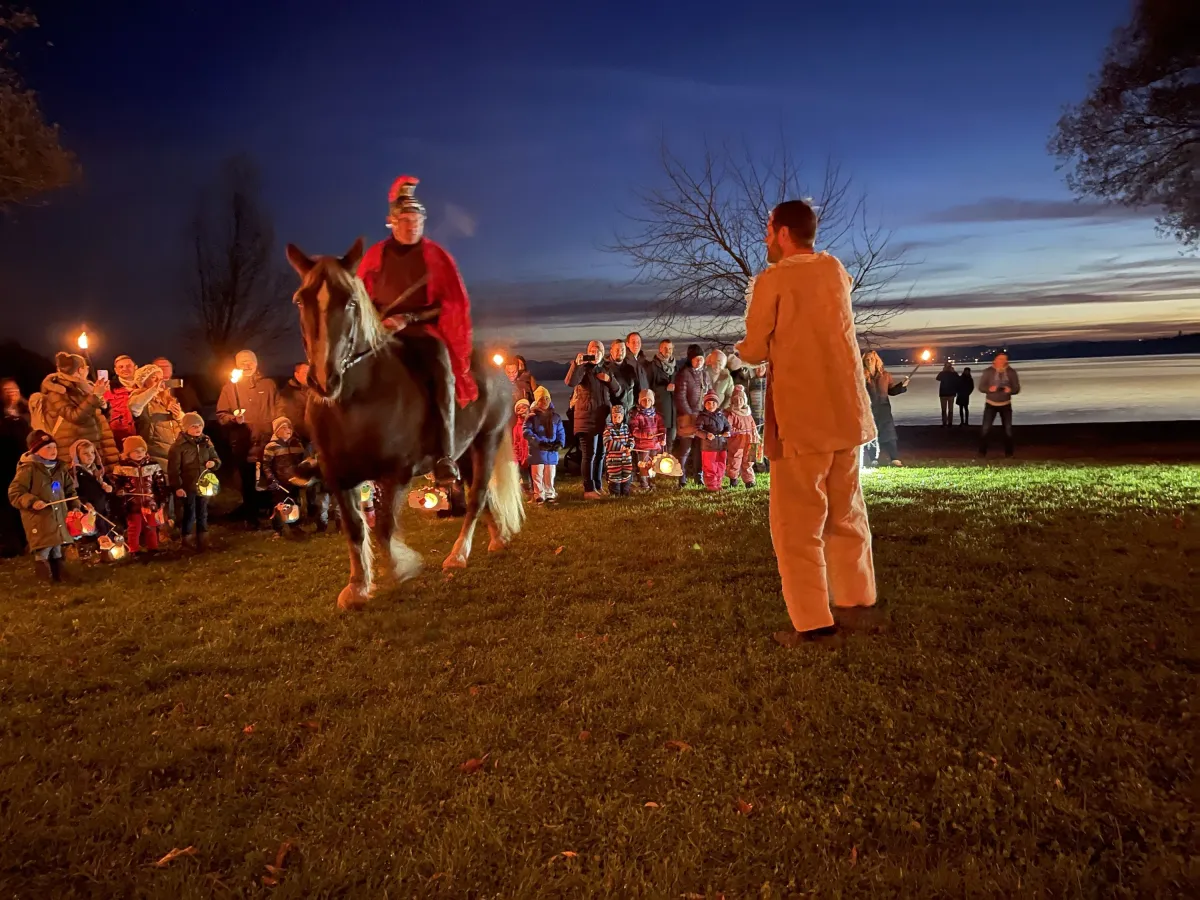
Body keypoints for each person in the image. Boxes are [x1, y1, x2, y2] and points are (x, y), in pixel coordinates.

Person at [735, 198, 877, 647]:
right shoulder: (835, 270)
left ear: (782, 233)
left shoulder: (773, 280)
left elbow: (754, 348)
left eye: (768, 230)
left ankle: (814, 622)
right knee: (846, 513)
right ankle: (857, 602)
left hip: (802, 418)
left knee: (796, 526)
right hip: (847, 415)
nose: (764, 239)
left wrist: (741, 350)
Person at [357, 175, 476, 484]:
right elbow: (360, 296)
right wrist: (375, 318)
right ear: (393, 223)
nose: (412, 226)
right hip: (380, 334)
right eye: (406, 220)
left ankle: (444, 455)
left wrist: (408, 318)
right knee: (343, 368)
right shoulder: (375, 255)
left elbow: (449, 303)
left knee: (442, 375)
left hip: (422, 333)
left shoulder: (435, 256)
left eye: (417, 221)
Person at [216, 349, 280, 527]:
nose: (246, 365)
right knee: (248, 479)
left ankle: (273, 512)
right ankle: (251, 516)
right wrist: (233, 419)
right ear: (237, 365)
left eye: (250, 361)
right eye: (242, 362)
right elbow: (221, 414)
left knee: (271, 477)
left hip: (267, 439)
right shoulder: (230, 388)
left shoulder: (268, 385)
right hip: (243, 441)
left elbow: (279, 406)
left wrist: (279, 425)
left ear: (256, 363)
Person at [8, 429, 79, 581]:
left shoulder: (59, 468)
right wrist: (32, 501)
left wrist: (75, 505)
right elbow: (16, 492)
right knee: (44, 547)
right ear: (36, 450)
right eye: (48, 448)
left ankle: (59, 573)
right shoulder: (28, 469)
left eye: (54, 447)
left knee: (57, 545)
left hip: (58, 515)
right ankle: (44, 575)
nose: (53, 450)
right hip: (39, 518)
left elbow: (70, 489)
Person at [37, 352, 119, 467]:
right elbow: (74, 417)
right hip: (77, 451)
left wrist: (104, 406)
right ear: (80, 370)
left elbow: (99, 417)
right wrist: (95, 396)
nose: (87, 370)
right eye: (86, 367)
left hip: (99, 447)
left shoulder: (86, 387)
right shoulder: (58, 391)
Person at [565, 340, 619, 499]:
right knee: (589, 454)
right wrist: (576, 364)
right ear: (588, 352)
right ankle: (588, 489)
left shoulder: (606, 369)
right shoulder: (583, 369)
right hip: (586, 418)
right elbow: (570, 382)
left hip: (603, 418)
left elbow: (617, 390)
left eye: (598, 351)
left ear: (603, 353)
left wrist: (609, 380)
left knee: (601, 453)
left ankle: (598, 486)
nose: (595, 354)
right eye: (592, 351)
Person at [168, 412, 221, 551]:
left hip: (204, 484)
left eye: (199, 426)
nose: (197, 429)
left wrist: (213, 463)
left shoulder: (206, 442)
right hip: (188, 484)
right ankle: (187, 539)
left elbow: (216, 459)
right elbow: (173, 469)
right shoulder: (178, 447)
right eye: (193, 426)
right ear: (186, 428)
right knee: (189, 512)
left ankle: (203, 539)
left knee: (203, 512)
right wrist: (178, 486)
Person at [112, 435, 168, 555]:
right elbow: (116, 484)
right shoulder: (122, 468)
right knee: (134, 528)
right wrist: (120, 491)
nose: (140, 453)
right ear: (128, 453)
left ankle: (153, 547)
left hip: (150, 502)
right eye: (136, 451)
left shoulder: (153, 465)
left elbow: (160, 482)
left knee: (151, 526)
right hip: (132, 504)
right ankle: (134, 549)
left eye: (142, 450)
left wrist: (162, 497)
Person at [130, 364, 183, 470]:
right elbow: (134, 406)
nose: (159, 381)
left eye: (161, 377)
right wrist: (154, 389)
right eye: (154, 378)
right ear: (144, 381)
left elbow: (186, 424)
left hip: (174, 453)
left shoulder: (168, 399)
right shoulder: (140, 398)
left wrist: (179, 416)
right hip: (155, 454)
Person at [260, 417, 307, 534]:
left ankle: (294, 527)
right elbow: (266, 465)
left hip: (294, 481)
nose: (288, 430)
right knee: (279, 505)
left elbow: (303, 462)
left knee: (294, 503)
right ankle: (278, 529)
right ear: (277, 431)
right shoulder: (271, 446)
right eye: (284, 428)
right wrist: (271, 478)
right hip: (279, 482)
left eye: (289, 427)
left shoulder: (297, 445)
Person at [862, 351, 908, 467]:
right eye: (867, 359)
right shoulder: (861, 376)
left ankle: (894, 458)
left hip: (884, 408)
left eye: (871, 359)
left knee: (889, 434)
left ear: (877, 361)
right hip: (868, 410)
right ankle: (873, 459)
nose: (869, 361)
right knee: (871, 434)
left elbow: (891, 391)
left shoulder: (885, 375)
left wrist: (902, 386)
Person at [0, 379, 31, 556]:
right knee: (9, 504)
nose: (12, 392)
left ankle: (29, 539)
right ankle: (12, 543)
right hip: (6, 464)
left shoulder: (26, 412)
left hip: (25, 462)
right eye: (6, 390)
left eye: (14, 389)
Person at [673, 344, 710, 487]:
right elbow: (680, 397)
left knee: (699, 449)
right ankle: (681, 476)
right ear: (691, 359)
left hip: (702, 416)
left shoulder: (704, 374)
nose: (699, 361)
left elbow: (709, 392)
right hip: (687, 417)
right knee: (685, 448)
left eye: (701, 358)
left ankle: (698, 476)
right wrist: (689, 413)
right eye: (696, 359)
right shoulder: (684, 374)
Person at [524, 386, 564, 504]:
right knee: (537, 474)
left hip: (551, 450)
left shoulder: (555, 417)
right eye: (541, 399)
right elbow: (527, 431)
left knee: (550, 474)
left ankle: (549, 493)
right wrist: (538, 442)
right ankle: (539, 494)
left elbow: (560, 431)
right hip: (538, 451)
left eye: (547, 398)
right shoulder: (532, 417)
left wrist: (559, 443)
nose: (545, 401)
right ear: (537, 401)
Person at [978, 353, 1021, 457]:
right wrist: (989, 389)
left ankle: (1009, 453)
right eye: (1000, 359)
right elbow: (981, 387)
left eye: (1004, 359)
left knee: (1008, 429)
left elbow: (1016, 388)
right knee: (985, 428)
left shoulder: (1011, 372)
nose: (1002, 361)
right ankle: (982, 452)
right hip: (991, 403)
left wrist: (1010, 390)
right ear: (995, 360)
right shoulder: (988, 371)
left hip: (1005, 404)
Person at [629, 389, 665, 490]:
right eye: (644, 400)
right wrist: (646, 435)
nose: (647, 402)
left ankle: (651, 482)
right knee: (643, 465)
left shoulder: (657, 416)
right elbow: (634, 431)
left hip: (655, 445)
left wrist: (662, 438)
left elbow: (662, 428)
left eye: (649, 400)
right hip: (642, 446)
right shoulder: (637, 416)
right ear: (640, 401)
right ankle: (644, 484)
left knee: (653, 465)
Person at [646, 339, 678, 451]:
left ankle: (669, 461)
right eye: (665, 348)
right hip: (660, 409)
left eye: (670, 348)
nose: (667, 350)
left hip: (673, 410)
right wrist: (664, 389)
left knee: (671, 441)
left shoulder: (676, 366)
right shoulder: (652, 366)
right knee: (659, 442)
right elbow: (648, 388)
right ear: (660, 349)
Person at [695, 391, 731, 492]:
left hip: (721, 445)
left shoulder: (721, 415)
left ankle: (718, 483)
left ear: (717, 404)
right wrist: (706, 435)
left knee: (721, 464)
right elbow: (697, 430)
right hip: (709, 446)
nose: (711, 405)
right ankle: (711, 485)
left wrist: (727, 432)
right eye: (708, 403)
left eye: (714, 403)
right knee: (710, 466)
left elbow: (727, 426)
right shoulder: (702, 417)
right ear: (704, 404)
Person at [725, 385, 759, 488]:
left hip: (750, 440)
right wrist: (735, 431)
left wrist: (756, 434)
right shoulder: (731, 414)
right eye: (736, 399)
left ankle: (749, 480)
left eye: (741, 399)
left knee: (749, 460)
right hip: (737, 442)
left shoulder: (748, 413)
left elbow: (753, 426)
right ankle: (733, 478)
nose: (738, 402)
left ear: (744, 400)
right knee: (735, 460)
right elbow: (728, 427)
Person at [104, 355, 140, 445]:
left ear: (136, 368)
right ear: (116, 370)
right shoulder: (109, 388)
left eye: (128, 366)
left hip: (143, 436)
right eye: (121, 367)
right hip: (118, 438)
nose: (125, 369)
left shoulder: (145, 387)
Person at [602, 405, 635, 498]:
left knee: (626, 475)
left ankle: (625, 493)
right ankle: (615, 494)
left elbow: (631, 438)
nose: (617, 419)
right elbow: (607, 442)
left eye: (619, 417)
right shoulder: (608, 429)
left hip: (626, 458)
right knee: (615, 477)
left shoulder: (626, 428)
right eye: (614, 417)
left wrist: (630, 446)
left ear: (623, 417)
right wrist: (621, 447)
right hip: (614, 460)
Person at [600, 340, 637, 414]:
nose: (620, 352)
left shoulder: (630, 368)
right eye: (617, 350)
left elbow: (636, 389)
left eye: (622, 350)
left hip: (629, 412)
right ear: (611, 351)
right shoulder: (606, 369)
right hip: (615, 414)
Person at [279, 363, 312, 445]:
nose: (309, 376)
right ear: (296, 375)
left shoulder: (314, 390)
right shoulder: (288, 394)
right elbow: (295, 421)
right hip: (303, 440)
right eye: (305, 373)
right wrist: (312, 436)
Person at [512, 398, 532, 496]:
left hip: (533, 455)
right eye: (519, 409)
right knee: (524, 475)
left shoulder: (533, 424)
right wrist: (517, 457)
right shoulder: (516, 428)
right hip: (522, 457)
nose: (522, 410)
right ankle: (528, 491)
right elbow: (516, 443)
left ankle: (537, 492)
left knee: (535, 475)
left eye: (524, 408)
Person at [936, 361, 959, 427]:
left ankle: (945, 423)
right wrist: (954, 372)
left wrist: (943, 372)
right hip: (950, 393)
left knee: (945, 409)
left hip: (944, 393)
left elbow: (938, 378)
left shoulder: (943, 373)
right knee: (949, 409)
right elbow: (958, 379)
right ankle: (949, 423)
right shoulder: (953, 373)